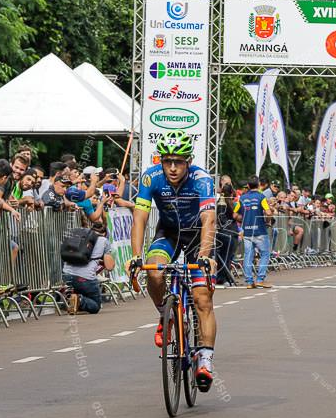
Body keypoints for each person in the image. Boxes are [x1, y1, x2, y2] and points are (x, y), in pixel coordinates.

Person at [128, 130, 218, 392]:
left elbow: (209, 221)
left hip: (196, 237)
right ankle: (166, 318)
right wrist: (136, 256)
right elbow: (140, 217)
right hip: (168, 234)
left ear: (188, 161)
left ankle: (205, 360)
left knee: (202, 298)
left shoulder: (202, 180)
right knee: (154, 273)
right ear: (161, 161)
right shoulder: (151, 176)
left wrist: (204, 256)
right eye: (168, 161)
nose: (173, 168)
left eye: (179, 162)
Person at [64, 221, 115, 315]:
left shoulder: (79, 235)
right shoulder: (103, 241)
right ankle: (79, 299)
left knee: (78, 288)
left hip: (67, 275)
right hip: (85, 278)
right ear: (105, 233)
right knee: (95, 306)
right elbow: (109, 266)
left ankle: (73, 299)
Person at [234, 176, 273, 289]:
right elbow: (269, 213)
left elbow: (235, 215)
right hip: (260, 230)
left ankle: (249, 281)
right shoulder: (262, 197)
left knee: (248, 255)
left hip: (247, 232)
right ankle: (260, 279)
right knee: (265, 254)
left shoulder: (242, 198)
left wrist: (243, 220)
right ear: (259, 185)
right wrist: (267, 221)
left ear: (248, 186)